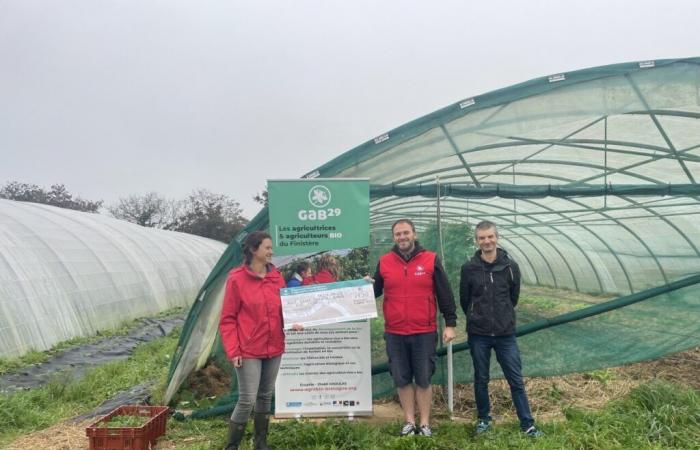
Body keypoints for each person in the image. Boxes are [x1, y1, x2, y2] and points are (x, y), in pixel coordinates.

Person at [372, 219, 457, 437]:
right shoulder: (384, 262)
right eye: (398, 234)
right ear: (394, 238)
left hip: (424, 331)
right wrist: (365, 286)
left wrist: (450, 324)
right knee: (401, 378)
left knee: (423, 378)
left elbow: (444, 293)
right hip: (395, 332)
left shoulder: (430, 260)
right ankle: (409, 422)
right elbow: (375, 291)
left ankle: (425, 423)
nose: (402, 237)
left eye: (406, 233)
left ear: (414, 234)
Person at [459, 220, 543, 438]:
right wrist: (478, 316)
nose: (486, 241)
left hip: (506, 334)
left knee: (515, 379)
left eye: (490, 237)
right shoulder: (469, 268)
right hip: (479, 334)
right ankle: (484, 420)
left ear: (497, 237)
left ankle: (527, 424)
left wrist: (503, 315)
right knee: (481, 378)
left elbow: (513, 298)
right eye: (482, 238)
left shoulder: (510, 267)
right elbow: (465, 300)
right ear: (477, 241)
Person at [219, 231, 300, 450]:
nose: (271, 251)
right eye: (267, 248)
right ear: (254, 250)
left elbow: (285, 308)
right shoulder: (237, 279)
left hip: (274, 346)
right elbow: (227, 319)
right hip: (248, 349)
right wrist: (233, 350)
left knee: (265, 395)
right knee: (247, 399)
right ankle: (232, 446)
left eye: (271, 248)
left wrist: (293, 321)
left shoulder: (276, 277)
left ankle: (260, 444)